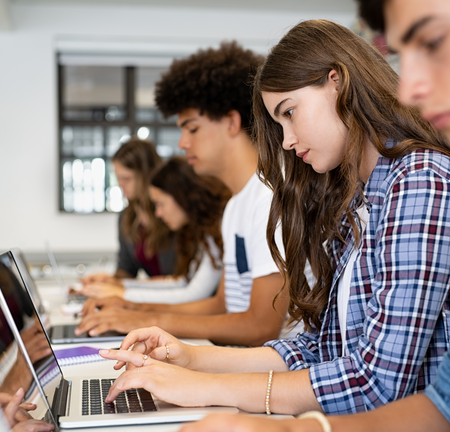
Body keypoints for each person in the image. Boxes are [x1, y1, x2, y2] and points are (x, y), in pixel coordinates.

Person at [179, 0, 450, 430]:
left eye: (432, 41)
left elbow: (378, 381)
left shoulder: (424, 177)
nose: (409, 86)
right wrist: (198, 366)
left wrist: (214, 388)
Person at [96, 19, 450, 417]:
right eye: (278, 123)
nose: (286, 140)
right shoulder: (358, 196)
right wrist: (191, 359)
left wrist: (202, 387)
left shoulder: (420, 182)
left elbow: (375, 383)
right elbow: (320, 348)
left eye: (290, 112)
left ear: (336, 83)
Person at [75, 41, 292, 347]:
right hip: (238, 362)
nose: (182, 143)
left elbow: (260, 326)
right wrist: (135, 309)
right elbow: (222, 305)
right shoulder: (236, 207)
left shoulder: (270, 198)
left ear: (231, 123)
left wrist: (144, 320)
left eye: (191, 129)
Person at [78, 156, 231, 304]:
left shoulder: (218, 229)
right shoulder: (204, 231)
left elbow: (193, 294)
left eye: (160, 204)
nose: (158, 213)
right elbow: (182, 282)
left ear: (181, 196)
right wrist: (120, 286)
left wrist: (122, 294)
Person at [81, 138, 176, 291]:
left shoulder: (172, 213)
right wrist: (108, 280)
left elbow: (181, 281)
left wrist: (128, 286)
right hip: (154, 299)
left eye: (126, 179)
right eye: (118, 178)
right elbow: (127, 270)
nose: (120, 185)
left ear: (147, 175)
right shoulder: (127, 216)